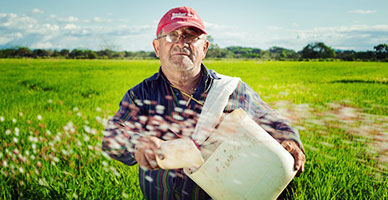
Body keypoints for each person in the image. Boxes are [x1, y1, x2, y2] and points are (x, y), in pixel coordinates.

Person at [102, 6, 305, 200]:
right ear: (157, 47)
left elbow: (272, 120)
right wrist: (136, 143)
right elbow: (112, 136)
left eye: (191, 36)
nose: (181, 42)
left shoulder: (231, 91)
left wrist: (290, 140)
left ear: (204, 47)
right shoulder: (141, 95)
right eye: (172, 35)